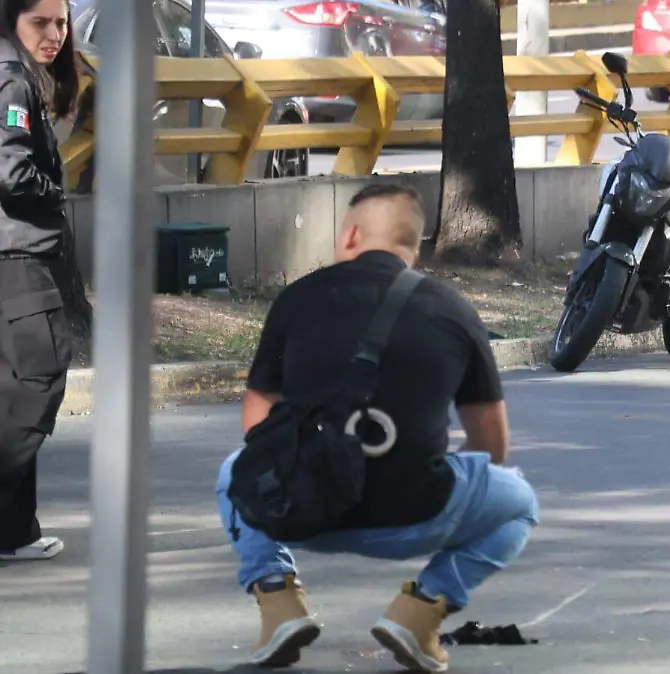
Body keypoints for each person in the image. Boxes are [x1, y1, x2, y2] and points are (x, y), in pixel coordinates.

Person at [214, 182, 538, 672]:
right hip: (414, 514)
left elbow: (257, 424)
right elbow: (492, 445)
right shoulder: (453, 310)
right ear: (415, 248)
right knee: (518, 503)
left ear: (350, 237)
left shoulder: (296, 300)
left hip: (304, 513)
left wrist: (304, 475)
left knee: (233, 472)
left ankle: (278, 600)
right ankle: (421, 610)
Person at [0, 0, 81, 562]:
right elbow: (12, 172)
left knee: (12, 393)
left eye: (62, 22)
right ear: (11, 20)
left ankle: (15, 532)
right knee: (38, 381)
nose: (55, 35)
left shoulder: (20, 76)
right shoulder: (10, 83)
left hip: (15, 255)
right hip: (19, 257)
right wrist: (59, 194)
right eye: (41, 23)